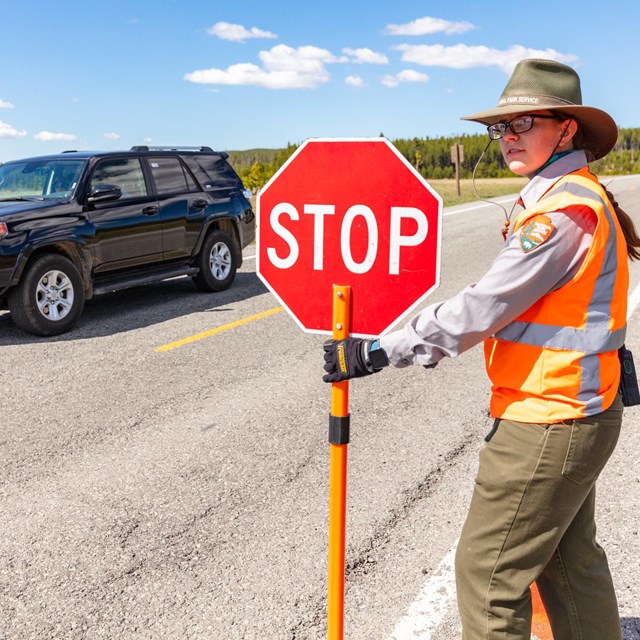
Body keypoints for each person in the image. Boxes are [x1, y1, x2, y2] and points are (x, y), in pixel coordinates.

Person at [322, 58, 640, 639]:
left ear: (567, 129)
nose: (507, 138)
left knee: (487, 576)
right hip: (574, 410)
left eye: (524, 124)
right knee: (568, 565)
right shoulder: (573, 196)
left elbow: (484, 305)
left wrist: (379, 351)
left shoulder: (565, 211)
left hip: (547, 418)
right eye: (501, 128)